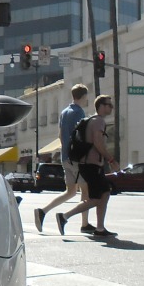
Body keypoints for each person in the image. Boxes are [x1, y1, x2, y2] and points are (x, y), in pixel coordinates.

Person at [55, 94, 120, 239]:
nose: (111, 107)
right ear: (101, 106)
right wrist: (111, 159)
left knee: (104, 193)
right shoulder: (98, 122)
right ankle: (65, 216)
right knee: (97, 197)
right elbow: (98, 143)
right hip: (91, 165)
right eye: (109, 105)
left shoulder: (92, 120)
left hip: (89, 164)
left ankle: (100, 228)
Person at [33, 84, 92, 235]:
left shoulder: (64, 112)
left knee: (71, 191)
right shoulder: (79, 113)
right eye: (86, 97)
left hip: (65, 156)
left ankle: (43, 211)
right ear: (83, 96)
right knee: (85, 191)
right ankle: (84, 223)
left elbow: (60, 135)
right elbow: (81, 136)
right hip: (77, 158)